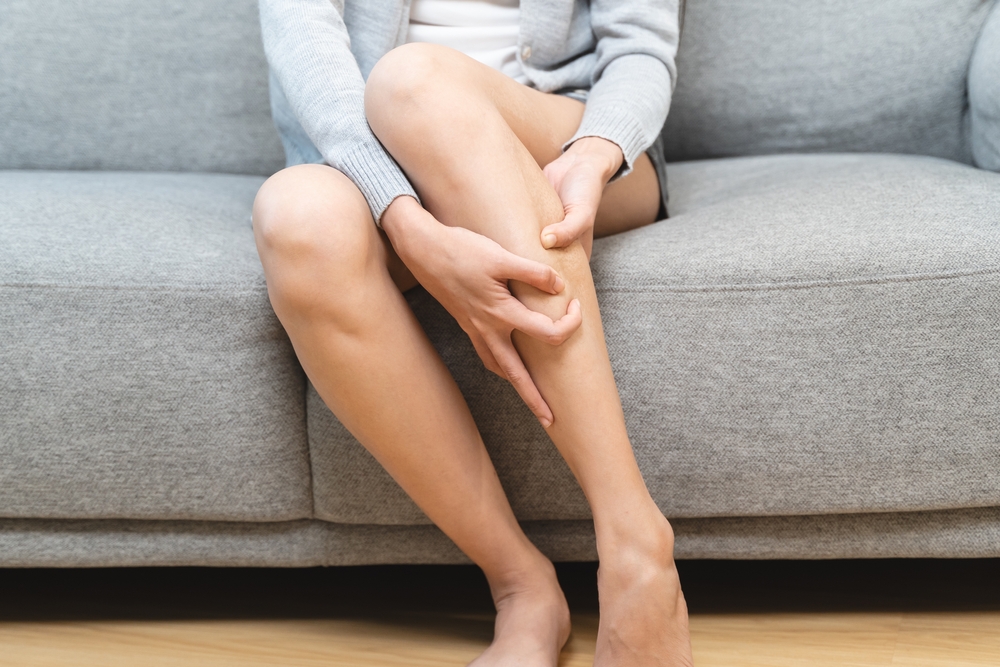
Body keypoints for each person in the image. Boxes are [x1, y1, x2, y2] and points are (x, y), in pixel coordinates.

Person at [253, 0, 691, 664]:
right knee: (296, 215)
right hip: (372, 158)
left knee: (412, 82)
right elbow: (301, 38)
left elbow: (640, 48)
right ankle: (522, 588)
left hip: (567, 143)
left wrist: (597, 151)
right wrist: (401, 214)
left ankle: (636, 548)